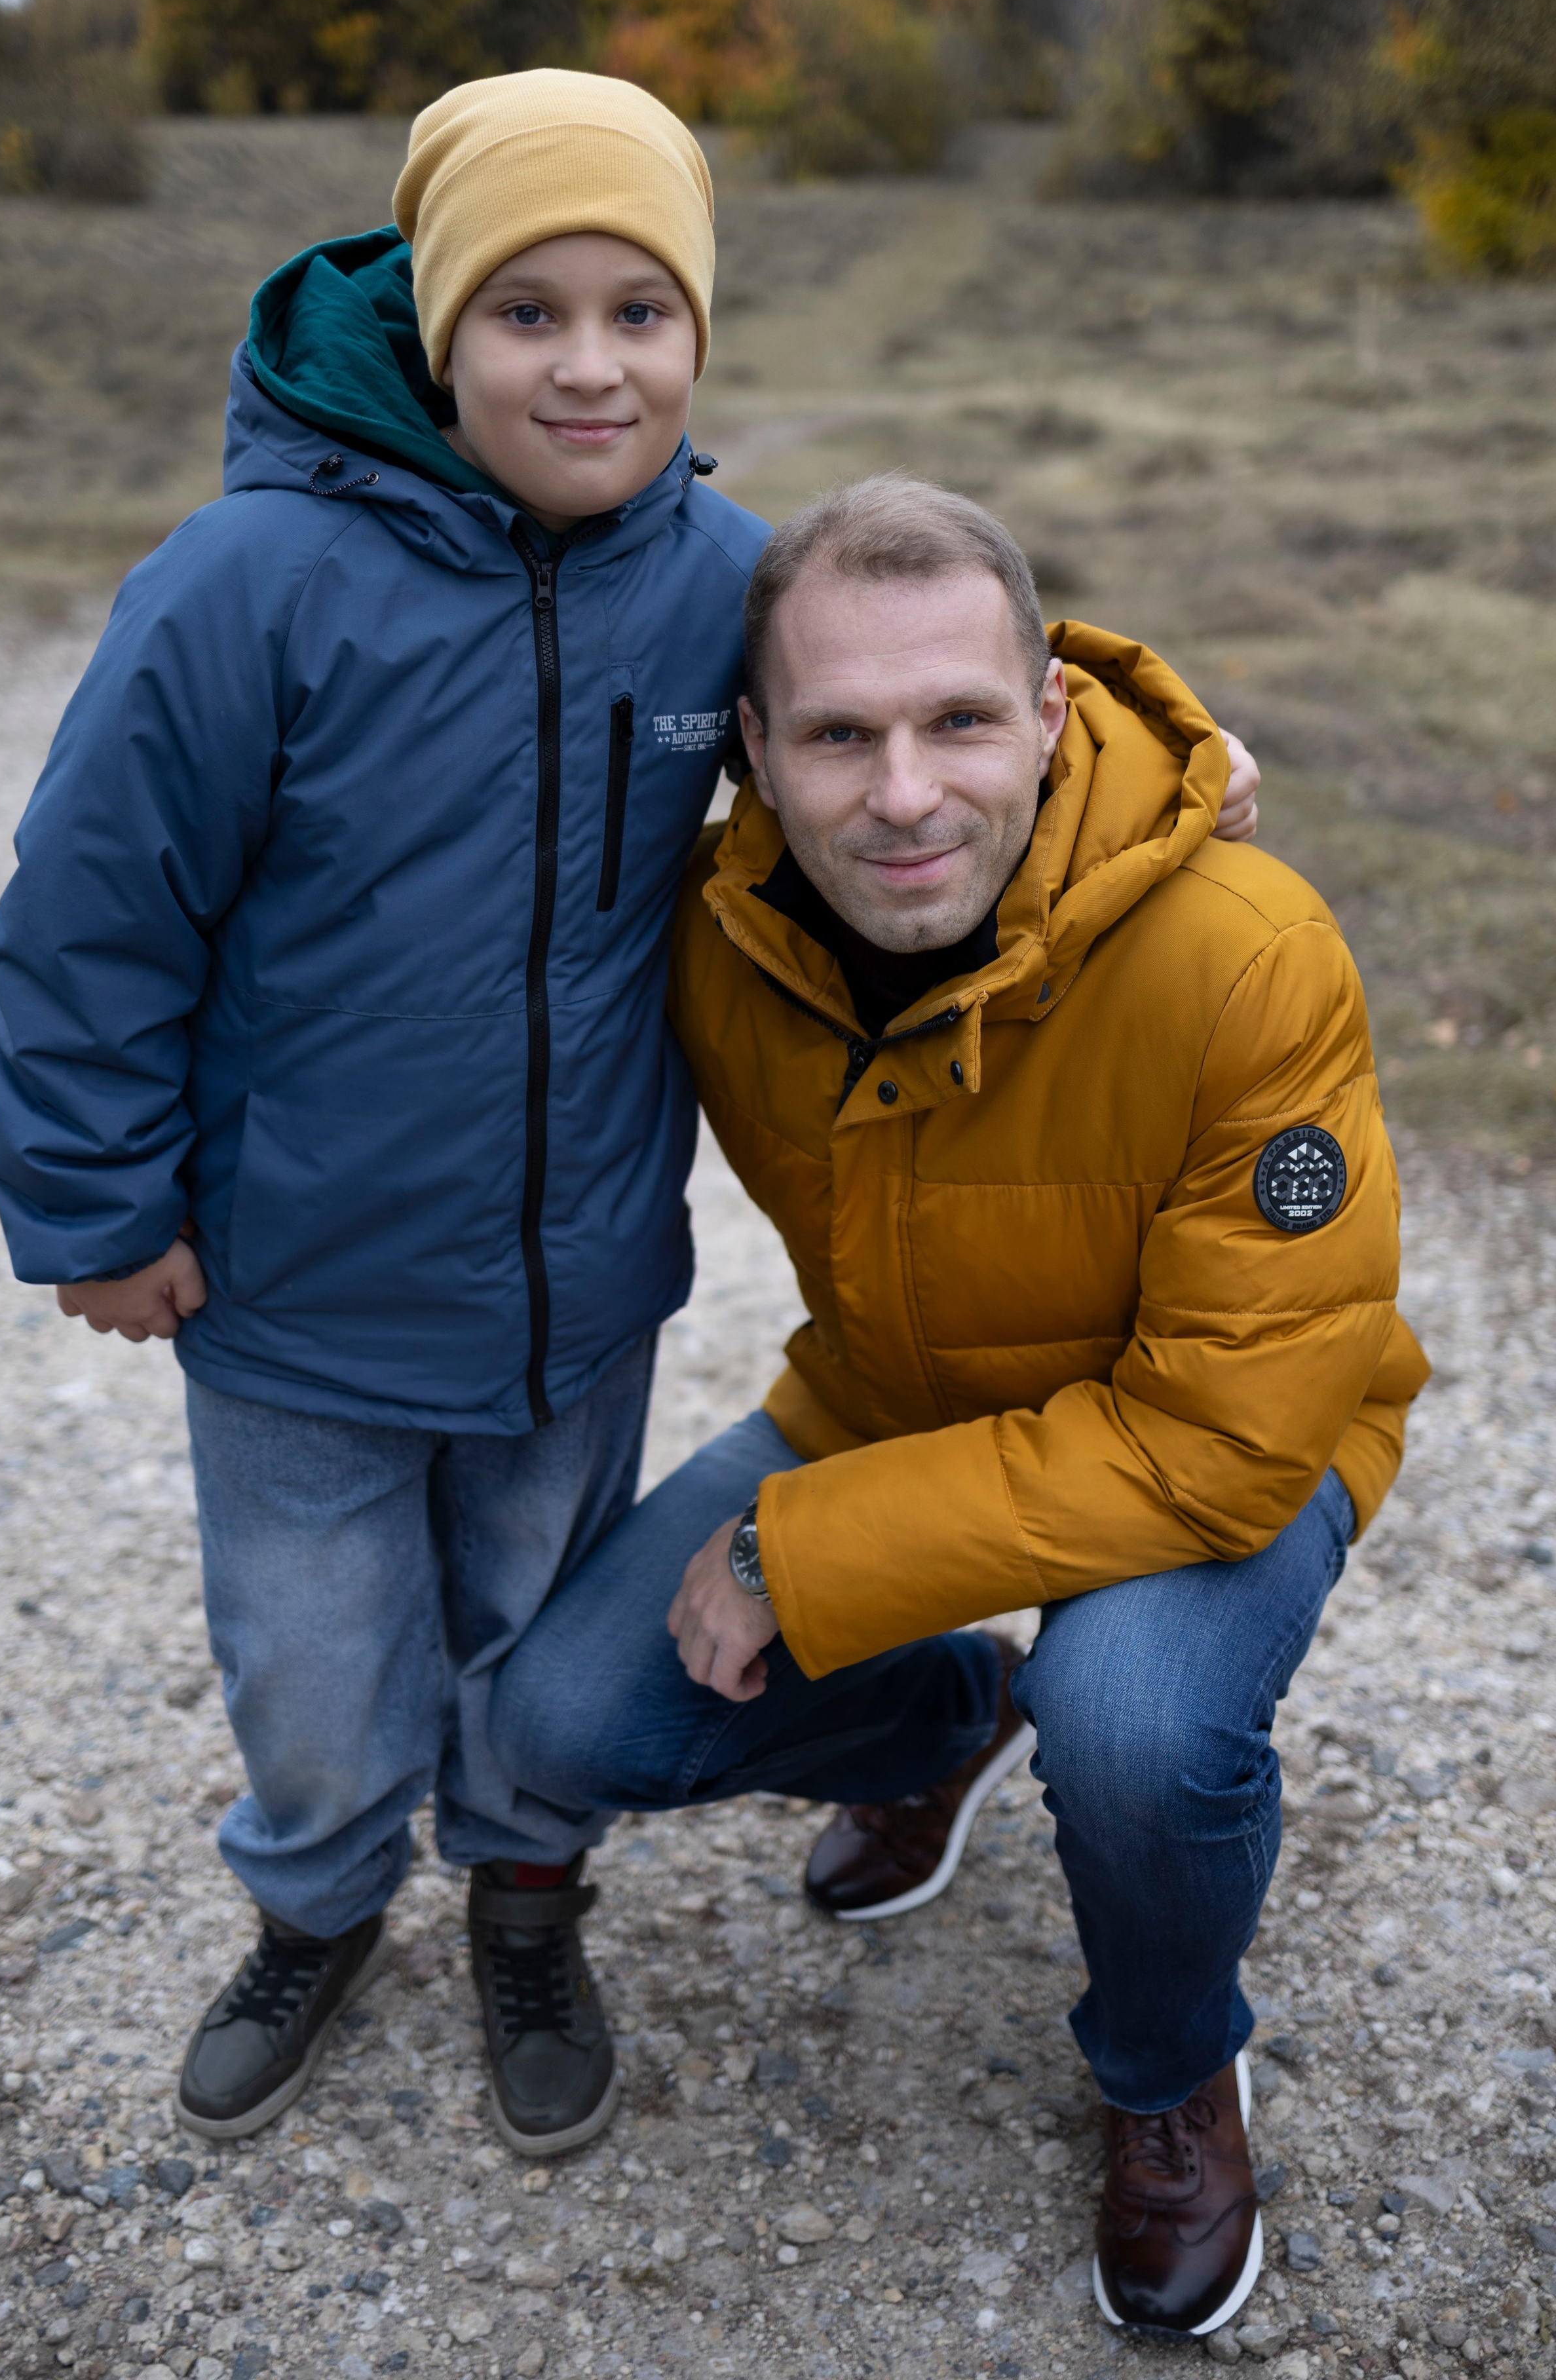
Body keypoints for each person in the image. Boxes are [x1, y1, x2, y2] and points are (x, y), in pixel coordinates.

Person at [0, 66, 1260, 2164]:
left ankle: (526, 1903)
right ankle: (311, 1913)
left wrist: (1166, 764)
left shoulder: (717, 585)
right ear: (437, 324)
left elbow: (915, 708)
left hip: (577, 1294)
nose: (590, 366)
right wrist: (96, 1208)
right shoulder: (245, 589)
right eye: (530, 313)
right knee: (314, 1664)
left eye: (641, 313)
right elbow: (90, 923)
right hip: (291, 1294)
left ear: (698, 336)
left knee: (527, 1650)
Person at [490, 474, 1428, 2332]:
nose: (904, 796)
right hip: (899, 1393)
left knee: (1137, 1722)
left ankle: (1168, 2070)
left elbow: (1227, 1435)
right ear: (749, 748)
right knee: (565, 1714)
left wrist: (805, 1550)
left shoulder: (1248, 954)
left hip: (1223, 1444)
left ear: (1055, 716)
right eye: (838, 734)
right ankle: (942, 1724)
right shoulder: (715, 933)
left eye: (959, 722)